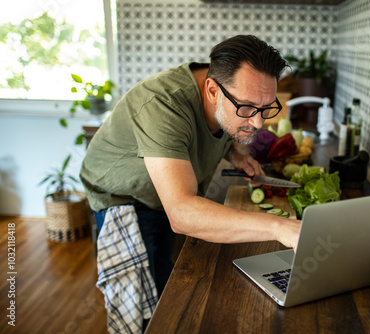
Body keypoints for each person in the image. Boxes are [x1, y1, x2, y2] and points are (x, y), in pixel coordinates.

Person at [80, 35, 301, 333]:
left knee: (168, 279)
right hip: (122, 198)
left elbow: (224, 123)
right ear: (212, 90)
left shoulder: (227, 97)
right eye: (248, 108)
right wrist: (278, 227)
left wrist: (236, 149)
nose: (259, 123)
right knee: (148, 308)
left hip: (164, 197)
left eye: (266, 108)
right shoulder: (163, 103)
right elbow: (182, 213)